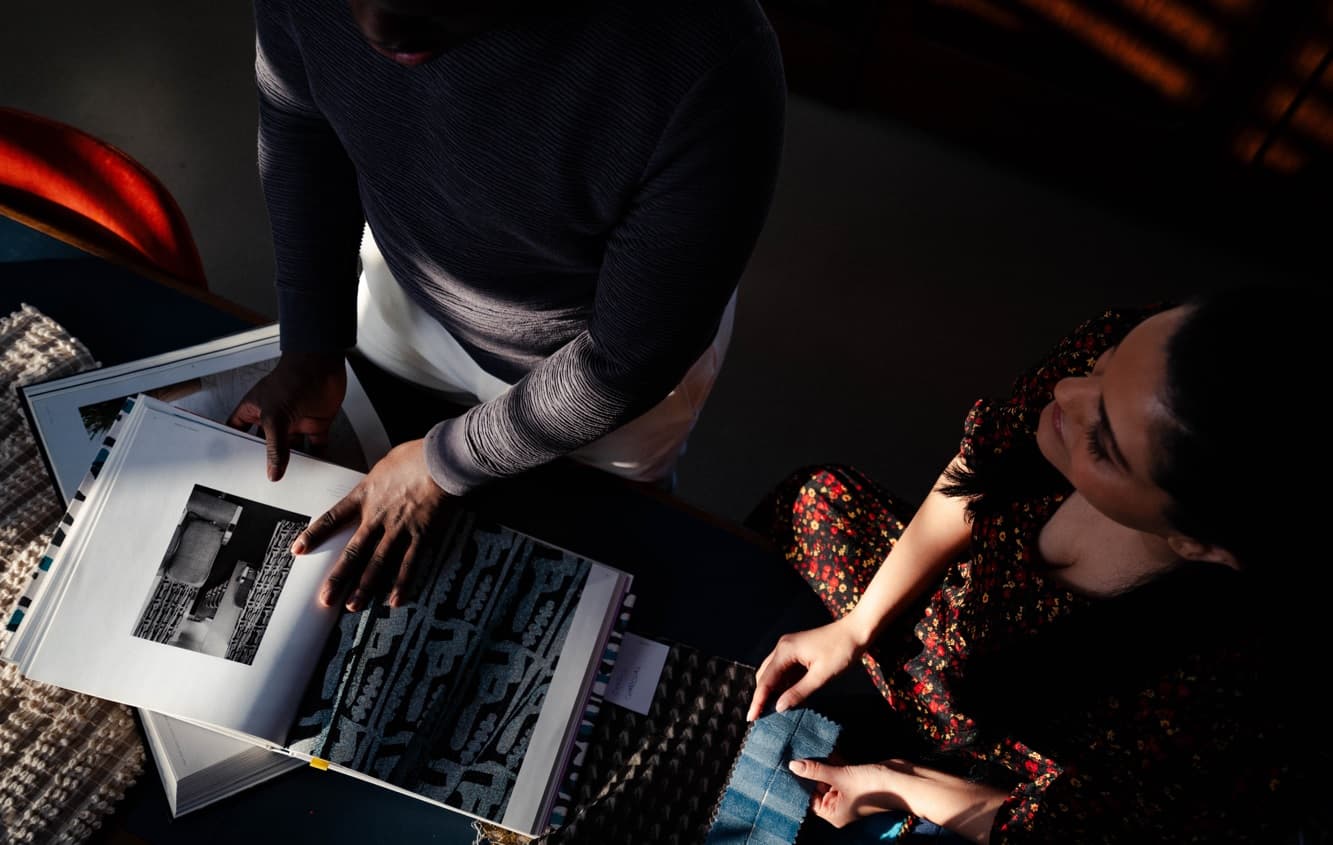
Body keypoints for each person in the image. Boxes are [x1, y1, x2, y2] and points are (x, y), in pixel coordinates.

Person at [226, 0, 786, 613]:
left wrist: (445, 463)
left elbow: (629, 359)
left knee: (595, 563)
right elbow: (301, 126)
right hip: (400, 295)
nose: (379, 29)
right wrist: (312, 340)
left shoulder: (709, 60)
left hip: (593, 381)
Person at [745, 285, 1327, 844]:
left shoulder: (1225, 696)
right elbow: (982, 472)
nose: (1069, 391)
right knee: (813, 500)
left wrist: (901, 786)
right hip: (943, 630)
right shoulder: (1138, 367)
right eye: (1108, 359)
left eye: (1103, 444)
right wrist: (857, 626)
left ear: (1198, 543)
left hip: (1019, 760)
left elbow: (1083, 830)